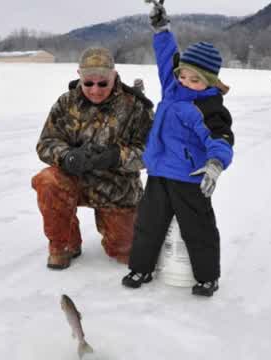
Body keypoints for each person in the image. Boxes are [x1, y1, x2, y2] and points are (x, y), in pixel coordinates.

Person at [122, 1, 234, 297]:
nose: (185, 81)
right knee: (148, 224)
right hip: (159, 173)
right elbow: (166, 58)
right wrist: (161, 29)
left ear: (208, 81)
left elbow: (221, 138)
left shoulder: (208, 107)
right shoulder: (173, 88)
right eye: (183, 75)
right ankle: (141, 268)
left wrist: (216, 163)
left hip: (189, 177)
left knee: (198, 229)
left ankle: (208, 277)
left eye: (194, 79)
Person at [32, 47, 154, 270]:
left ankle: (120, 235)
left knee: (125, 252)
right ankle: (64, 243)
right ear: (79, 76)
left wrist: (116, 157)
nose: (95, 90)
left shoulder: (135, 107)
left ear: (114, 76)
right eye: (88, 83)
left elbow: (152, 154)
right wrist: (68, 156)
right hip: (75, 180)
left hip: (117, 187)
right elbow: (46, 143)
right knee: (48, 180)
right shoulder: (66, 103)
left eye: (102, 83)